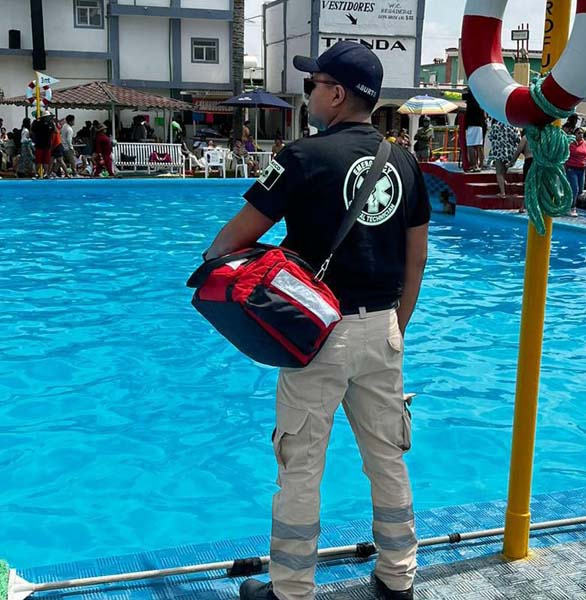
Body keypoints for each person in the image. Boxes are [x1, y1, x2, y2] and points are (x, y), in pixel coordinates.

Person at [204, 40, 430, 600]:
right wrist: (396, 323)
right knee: (387, 458)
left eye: (313, 85)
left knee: (301, 464)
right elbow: (416, 256)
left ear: (335, 93)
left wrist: (223, 273)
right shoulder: (404, 161)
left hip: (316, 336)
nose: (309, 95)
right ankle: (398, 576)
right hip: (383, 330)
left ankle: (292, 591)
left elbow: (231, 242)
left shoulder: (304, 157)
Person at [488, 118, 520, 199]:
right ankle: (504, 183)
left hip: (498, 151)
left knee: (499, 172)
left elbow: (491, 137)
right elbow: (518, 139)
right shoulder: (513, 126)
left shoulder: (496, 126)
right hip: (509, 151)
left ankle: (502, 192)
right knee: (504, 169)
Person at [565, 128, 586, 217]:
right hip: (571, 168)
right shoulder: (570, 143)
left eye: (582, 133)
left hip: (582, 169)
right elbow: (565, 154)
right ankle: (572, 208)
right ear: (575, 134)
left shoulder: (585, 143)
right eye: (579, 133)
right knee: (575, 189)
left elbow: (585, 154)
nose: (581, 135)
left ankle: (569, 204)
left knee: (580, 191)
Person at [511, 129, 533, 213]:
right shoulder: (539, 138)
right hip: (538, 162)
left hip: (529, 162)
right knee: (536, 184)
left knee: (527, 185)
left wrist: (512, 162)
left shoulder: (525, 138)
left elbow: (518, 151)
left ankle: (523, 206)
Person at [463, 90, 486, 171]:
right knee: (479, 146)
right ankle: (482, 164)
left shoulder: (470, 100)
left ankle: (474, 166)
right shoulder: (481, 99)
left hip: (472, 125)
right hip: (480, 125)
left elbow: (461, 96)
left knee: (470, 146)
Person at [31, 111, 56, 178]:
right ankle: (43, 174)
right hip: (45, 144)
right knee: (44, 161)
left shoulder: (36, 122)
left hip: (41, 144)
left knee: (41, 161)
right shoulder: (50, 124)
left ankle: (38, 174)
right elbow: (56, 131)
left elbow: (32, 131)